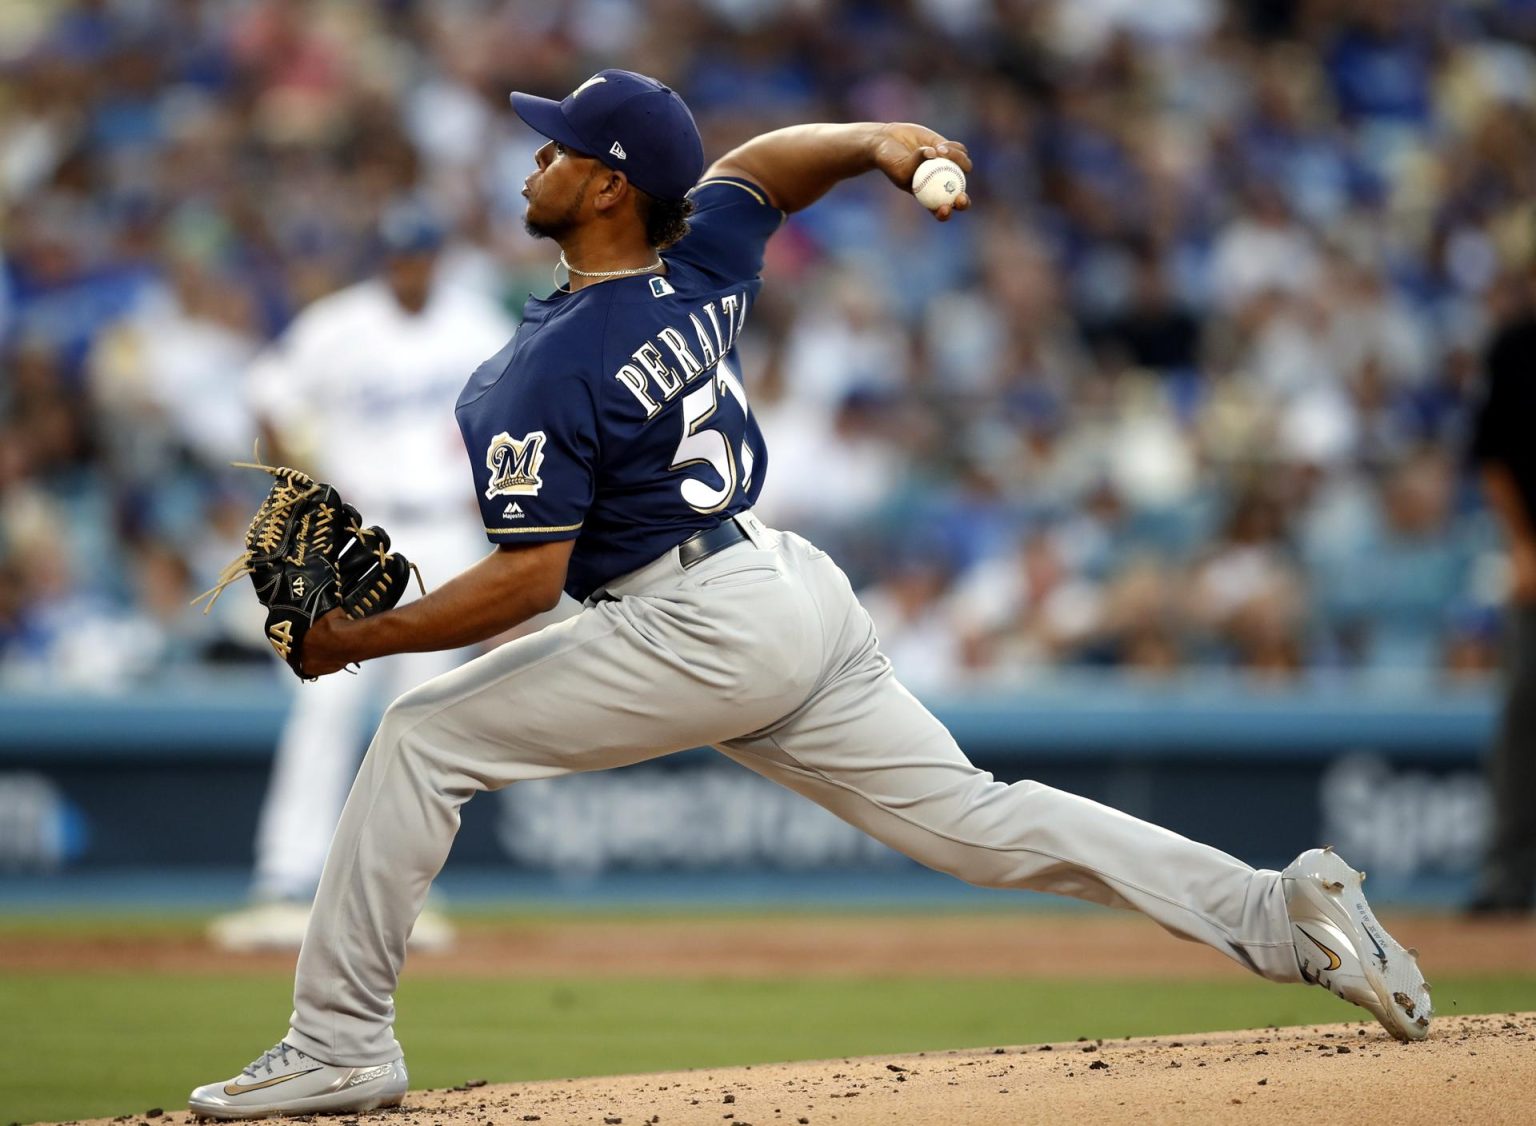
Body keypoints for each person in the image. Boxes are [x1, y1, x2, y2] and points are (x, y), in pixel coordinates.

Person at [189, 70, 1431, 1119]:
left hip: (691, 622)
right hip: (785, 591)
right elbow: (765, 168)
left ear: (609, 186)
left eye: (558, 145)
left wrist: (361, 638)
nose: (534, 157)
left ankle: (342, 1039)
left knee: (415, 733)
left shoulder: (538, 366)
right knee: (984, 820)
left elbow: (530, 579)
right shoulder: (700, 264)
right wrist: (880, 143)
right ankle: (1283, 911)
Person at [206, 203, 516, 952]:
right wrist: (303, 486)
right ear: (385, 258)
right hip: (357, 528)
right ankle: (286, 879)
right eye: (401, 256)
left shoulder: (476, 321)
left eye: (422, 255)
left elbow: (515, 414)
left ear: (438, 257)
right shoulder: (340, 324)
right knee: (325, 705)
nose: (411, 268)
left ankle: (400, 891)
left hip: (446, 525)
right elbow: (267, 391)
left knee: (424, 709)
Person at [1466, 266, 1536, 916]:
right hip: (1534, 560)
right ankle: (1509, 876)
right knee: (1522, 716)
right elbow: (1494, 455)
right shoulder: (1516, 347)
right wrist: (1522, 543)